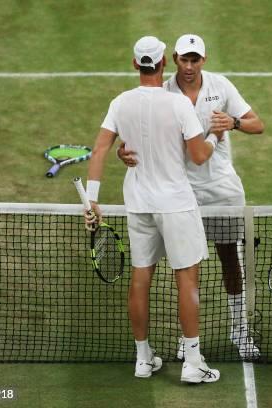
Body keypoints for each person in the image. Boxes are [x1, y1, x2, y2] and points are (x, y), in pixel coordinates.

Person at [84, 35, 221, 383]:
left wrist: (92, 200)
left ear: (136, 64)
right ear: (163, 65)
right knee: (187, 280)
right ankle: (192, 363)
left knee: (141, 278)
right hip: (175, 204)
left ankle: (143, 359)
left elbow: (99, 150)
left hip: (139, 204)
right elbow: (200, 155)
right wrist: (217, 135)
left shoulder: (120, 103)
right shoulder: (178, 105)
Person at [117, 34, 264, 359]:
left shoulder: (221, 86)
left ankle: (239, 330)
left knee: (229, 258)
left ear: (204, 59)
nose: (188, 66)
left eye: (194, 59)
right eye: (184, 59)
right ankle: (188, 338)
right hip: (181, 193)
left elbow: (258, 124)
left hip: (223, 191)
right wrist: (122, 151)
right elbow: (137, 133)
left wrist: (235, 122)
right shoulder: (163, 91)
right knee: (184, 266)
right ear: (173, 59)